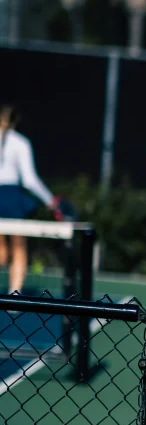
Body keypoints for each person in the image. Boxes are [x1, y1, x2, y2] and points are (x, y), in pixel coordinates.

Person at [0, 105, 60, 295]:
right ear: (15, 121)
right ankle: (14, 296)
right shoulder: (21, 143)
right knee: (18, 247)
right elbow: (30, 180)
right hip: (11, 198)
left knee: (1, 248)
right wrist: (51, 201)